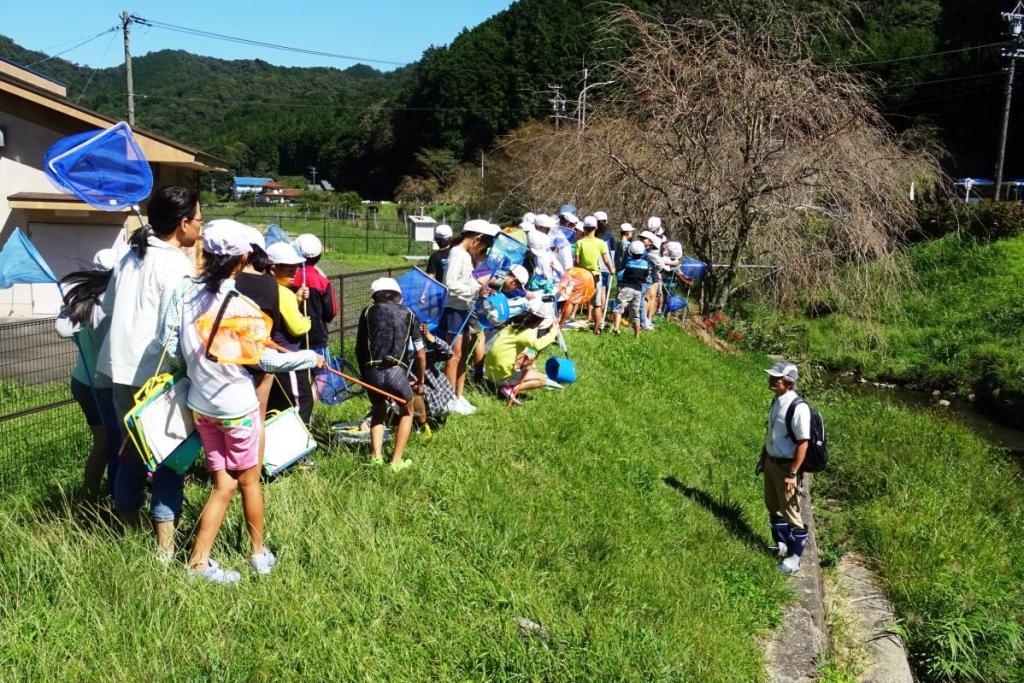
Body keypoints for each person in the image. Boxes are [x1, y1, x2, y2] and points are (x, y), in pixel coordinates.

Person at [161, 221, 321, 584]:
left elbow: (170, 348)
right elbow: (266, 362)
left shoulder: (185, 296)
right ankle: (258, 555)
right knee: (248, 480)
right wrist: (311, 360)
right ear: (243, 258)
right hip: (236, 406)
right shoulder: (240, 306)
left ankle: (199, 562)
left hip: (201, 405)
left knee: (224, 483)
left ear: (206, 254)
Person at [97, 185, 200, 558]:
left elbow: (108, 306)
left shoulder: (129, 255)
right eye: (198, 220)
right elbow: (176, 330)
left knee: (131, 451)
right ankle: (164, 547)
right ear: (184, 222)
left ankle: (127, 529)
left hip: (118, 370)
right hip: (158, 376)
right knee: (170, 458)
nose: (199, 229)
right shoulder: (176, 264)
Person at [55, 248, 119, 500]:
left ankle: (91, 497)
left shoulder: (82, 300)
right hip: (103, 386)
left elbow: (62, 329)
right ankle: (94, 499)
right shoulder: (109, 302)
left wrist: (65, 309)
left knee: (103, 443)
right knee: (108, 444)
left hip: (82, 381)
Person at [355, 277, 427, 471]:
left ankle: (376, 457)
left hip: (372, 372)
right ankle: (395, 462)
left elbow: (360, 349)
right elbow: (420, 353)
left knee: (378, 410)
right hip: (396, 373)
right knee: (407, 411)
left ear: (374, 297)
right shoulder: (409, 314)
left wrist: (363, 376)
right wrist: (420, 381)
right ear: (398, 297)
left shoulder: (368, 312)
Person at [756, 361, 811, 575]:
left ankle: (795, 559)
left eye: (775, 378)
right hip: (771, 462)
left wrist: (792, 474)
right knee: (773, 505)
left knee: (792, 512)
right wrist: (763, 458)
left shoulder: (798, 407)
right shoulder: (777, 401)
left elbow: (803, 443)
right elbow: (771, 433)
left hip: (787, 468)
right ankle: (782, 545)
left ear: (787, 382)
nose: (770, 380)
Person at [440, 219, 498, 415]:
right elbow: (450, 284)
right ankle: (447, 399)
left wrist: (480, 288)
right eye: (484, 245)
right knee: (454, 356)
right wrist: (475, 292)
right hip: (454, 310)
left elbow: (469, 280)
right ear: (477, 239)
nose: (483, 250)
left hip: (464, 307)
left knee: (463, 355)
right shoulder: (457, 253)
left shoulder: (465, 254)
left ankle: (458, 394)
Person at [266, 242, 315, 425]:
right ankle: (300, 447)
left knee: (276, 406)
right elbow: (297, 327)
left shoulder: (266, 289)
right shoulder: (283, 293)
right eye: (289, 270)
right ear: (272, 269)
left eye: (295, 268)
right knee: (301, 403)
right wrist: (307, 322)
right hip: (288, 359)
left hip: (270, 359)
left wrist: (296, 298)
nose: (294, 274)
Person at [484, 298, 560, 405]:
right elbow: (539, 345)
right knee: (542, 380)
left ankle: (508, 381)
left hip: (489, 371)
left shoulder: (512, 325)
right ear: (537, 320)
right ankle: (510, 388)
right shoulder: (526, 333)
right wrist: (553, 332)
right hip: (500, 376)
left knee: (527, 358)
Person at [292, 234, 338, 358]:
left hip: (290, 341)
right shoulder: (322, 281)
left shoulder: (286, 277)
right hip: (316, 339)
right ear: (318, 256)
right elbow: (331, 312)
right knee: (321, 376)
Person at [574, 216, 615, 334]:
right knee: (597, 304)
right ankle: (597, 329)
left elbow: (576, 261)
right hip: (595, 276)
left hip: (583, 275)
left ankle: (563, 323)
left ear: (584, 228)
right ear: (596, 228)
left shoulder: (579, 243)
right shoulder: (601, 243)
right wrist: (611, 269)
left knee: (575, 299)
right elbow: (606, 260)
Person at [612, 240, 654, 337]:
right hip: (638, 290)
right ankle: (637, 335)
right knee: (635, 313)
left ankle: (616, 328)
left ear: (631, 251)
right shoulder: (645, 264)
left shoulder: (628, 263)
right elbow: (645, 277)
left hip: (626, 287)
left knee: (619, 308)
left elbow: (620, 273)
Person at [638, 230, 664, 331]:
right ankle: (642, 320)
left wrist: (653, 271)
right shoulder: (640, 250)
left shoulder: (650, 254)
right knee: (642, 299)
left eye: (643, 239)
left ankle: (643, 321)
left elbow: (660, 265)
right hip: (640, 277)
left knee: (644, 299)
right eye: (640, 238)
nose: (641, 240)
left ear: (650, 242)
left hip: (647, 278)